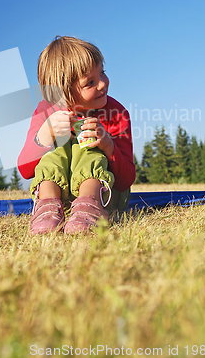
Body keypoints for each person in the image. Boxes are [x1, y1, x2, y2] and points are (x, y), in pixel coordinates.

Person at [18, 36, 136, 234]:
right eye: (90, 82)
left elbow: (126, 180)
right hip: (62, 202)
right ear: (63, 92)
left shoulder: (116, 113)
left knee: (89, 147)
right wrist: (44, 136)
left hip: (107, 197)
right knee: (57, 150)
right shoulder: (46, 111)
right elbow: (25, 169)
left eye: (102, 73)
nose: (102, 84)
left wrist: (108, 146)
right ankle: (47, 207)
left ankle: (89, 204)